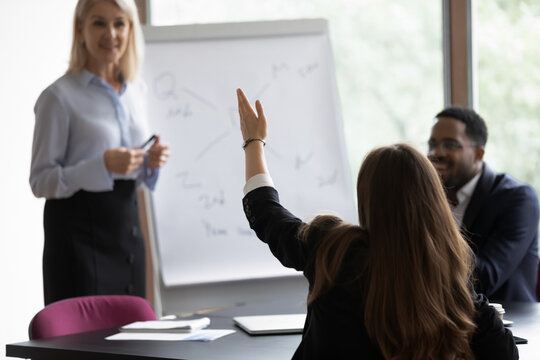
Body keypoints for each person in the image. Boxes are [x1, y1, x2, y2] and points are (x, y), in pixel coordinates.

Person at [236, 89, 517, 360]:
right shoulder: (447, 271)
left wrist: (254, 143)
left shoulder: (333, 250)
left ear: (367, 198)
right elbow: (504, 351)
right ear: (434, 200)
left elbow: (266, 211)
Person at [30, 0, 170, 305]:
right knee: (84, 346)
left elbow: (135, 173)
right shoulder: (58, 97)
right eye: (99, 23)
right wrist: (102, 164)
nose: (111, 33)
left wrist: (150, 163)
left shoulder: (137, 91)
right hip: (76, 239)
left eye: (119, 23)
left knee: (133, 343)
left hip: (127, 235)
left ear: (130, 29)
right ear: (80, 29)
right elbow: (40, 181)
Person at [428, 106, 539, 302]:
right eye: (433, 144)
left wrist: (437, 219)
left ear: (479, 153)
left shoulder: (517, 199)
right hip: (444, 322)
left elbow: (486, 278)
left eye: (450, 144)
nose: (436, 153)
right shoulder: (435, 197)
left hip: (506, 325)